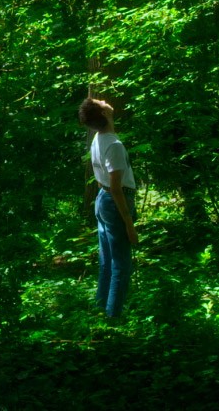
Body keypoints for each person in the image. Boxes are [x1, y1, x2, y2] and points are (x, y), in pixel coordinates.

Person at [79, 97, 139, 319]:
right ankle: (113, 320)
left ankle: (100, 312)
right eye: (101, 102)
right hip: (115, 202)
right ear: (104, 113)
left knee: (106, 262)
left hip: (102, 199)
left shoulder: (99, 138)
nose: (105, 101)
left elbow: (103, 180)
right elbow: (116, 188)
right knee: (121, 266)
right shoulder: (113, 145)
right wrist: (129, 224)